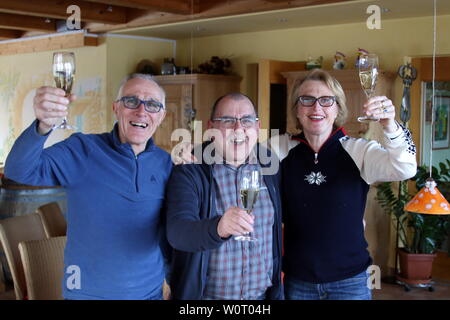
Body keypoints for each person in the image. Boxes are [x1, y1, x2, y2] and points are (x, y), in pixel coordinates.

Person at [4, 73, 172, 300]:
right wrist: (43, 126)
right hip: (87, 293)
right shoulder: (82, 149)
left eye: (152, 105)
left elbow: (169, 233)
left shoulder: (166, 163)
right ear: (116, 108)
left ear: (161, 116)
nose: (141, 111)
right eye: (131, 101)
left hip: (149, 294)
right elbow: (18, 170)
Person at [269, 69, 417, 300]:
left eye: (326, 100)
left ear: (338, 107)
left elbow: (406, 167)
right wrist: (196, 153)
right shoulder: (278, 149)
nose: (316, 108)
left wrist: (390, 125)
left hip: (351, 281)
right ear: (296, 109)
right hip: (297, 280)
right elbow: (235, 156)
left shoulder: (359, 150)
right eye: (306, 100)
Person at [165, 93, 283, 300]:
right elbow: (178, 233)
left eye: (246, 120)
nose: (238, 128)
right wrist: (219, 227)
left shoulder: (270, 165)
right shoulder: (190, 170)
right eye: (227, 120)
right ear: (211, 128)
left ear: (257, 127)